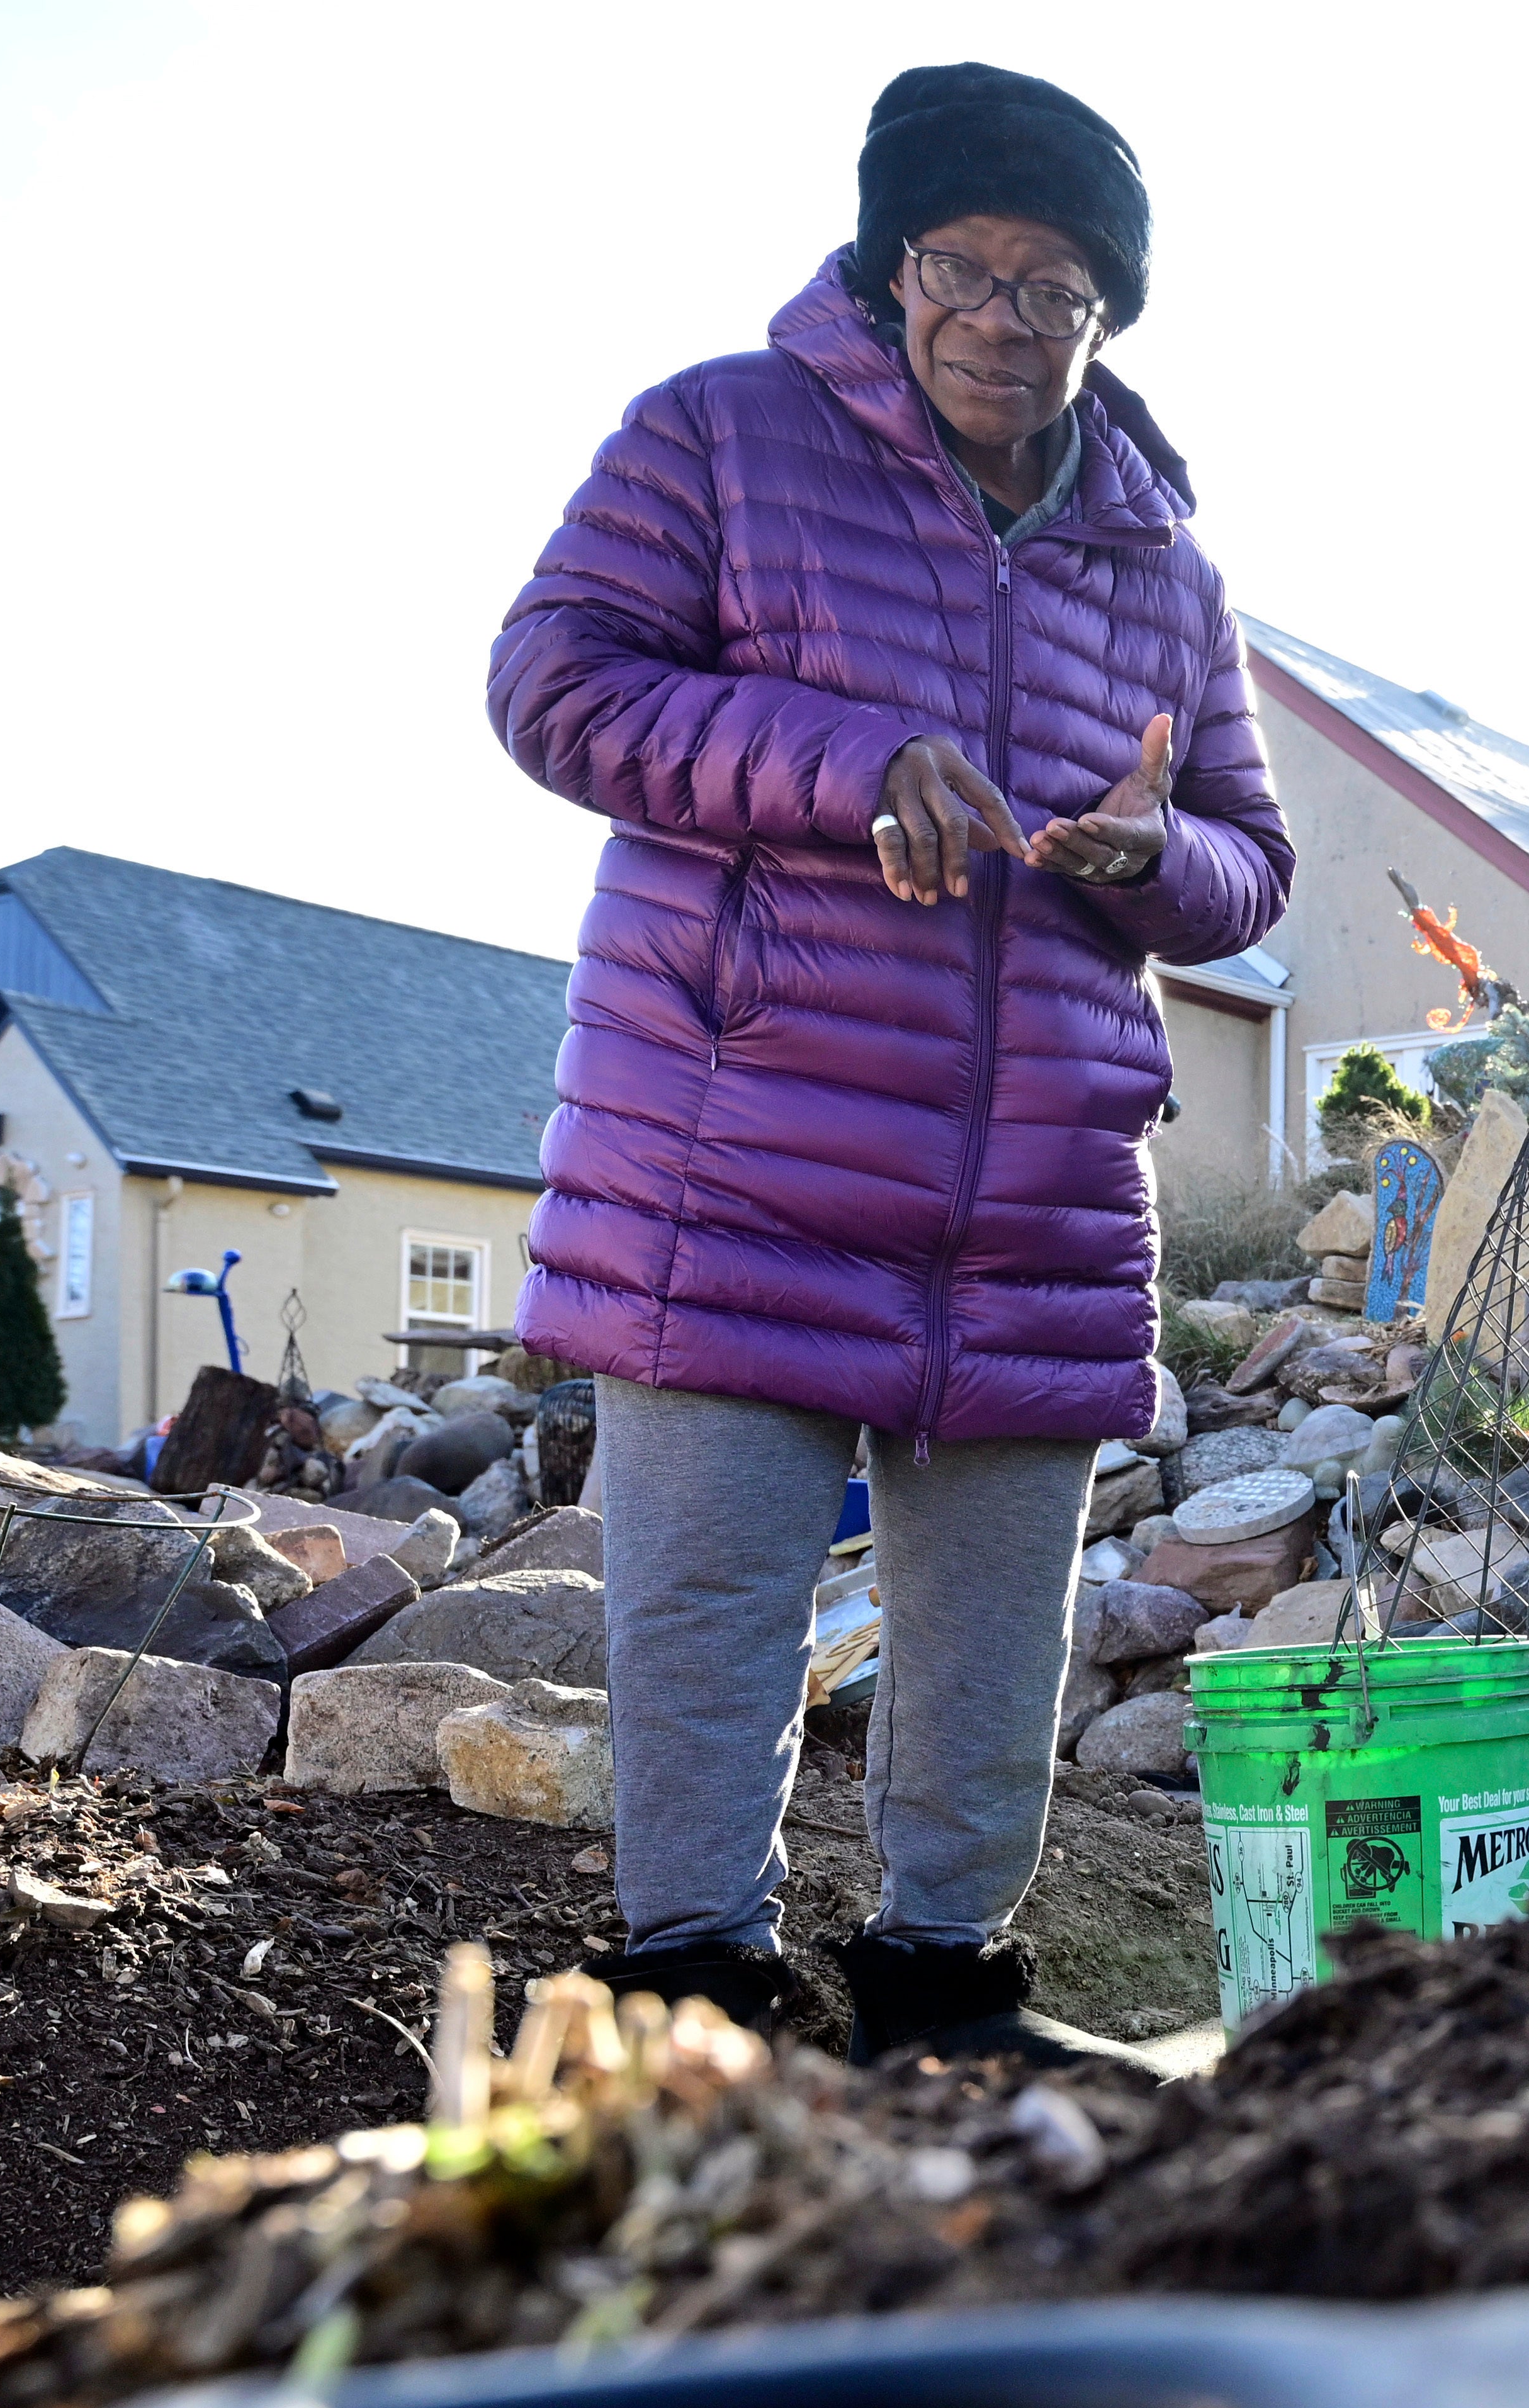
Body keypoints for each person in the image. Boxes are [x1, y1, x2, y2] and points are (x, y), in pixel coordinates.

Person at [488, 64, 1291, 2061]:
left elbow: (1253, 864)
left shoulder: (1165, 566)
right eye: (967, 269)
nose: (1006, 324)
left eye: (1060, 293)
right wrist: (847, 767)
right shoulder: (721, 438)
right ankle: (693, 2009)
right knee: (707, 1624)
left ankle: (947, 1999)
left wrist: (1149, 857)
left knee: (995, 1638)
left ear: (1107, 319)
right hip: (732, 1152)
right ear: (887, 258)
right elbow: (555, 683)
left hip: (1032, 1183)